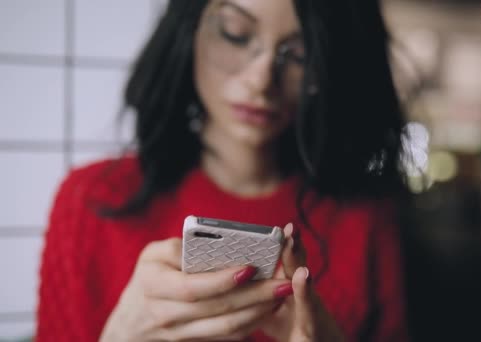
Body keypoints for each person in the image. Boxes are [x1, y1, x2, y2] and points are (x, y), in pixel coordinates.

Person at [36, 0, 411, 341]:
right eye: (236, 34)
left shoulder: (364, 216)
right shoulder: (92, 200)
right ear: (190, 30)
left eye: (299, 54)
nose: (261, 80)